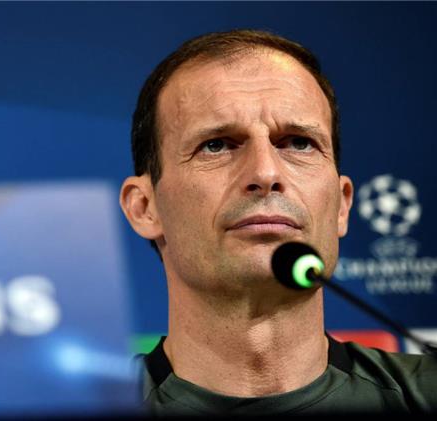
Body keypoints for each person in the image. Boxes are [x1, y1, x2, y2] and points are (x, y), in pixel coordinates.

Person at [119, 29, 437, 415]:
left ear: (341, 205)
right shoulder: (71, 405)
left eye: (299, 143)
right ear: (145, 207)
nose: (265, 172)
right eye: (216, 145)